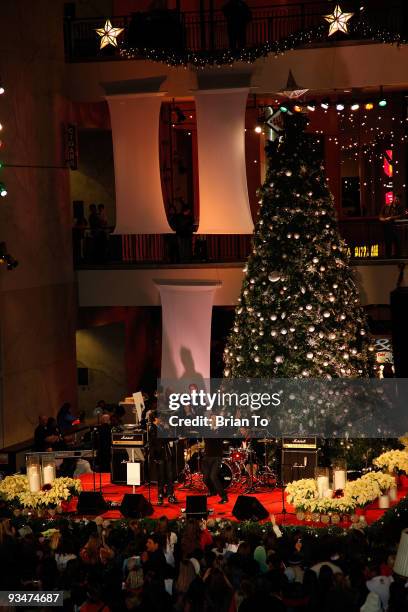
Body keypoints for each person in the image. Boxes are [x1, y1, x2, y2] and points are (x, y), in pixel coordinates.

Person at [148, 411, 178, 505]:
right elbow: (160, 440)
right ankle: (160, 494)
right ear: (155, 419)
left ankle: (170, 494)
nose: (161, 419)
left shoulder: (160, 427)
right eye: (159, 417)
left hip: (166, 454)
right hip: (160, 455)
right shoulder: (152, 428)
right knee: (161, 476)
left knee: (169, 475)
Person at [379, 193, 407, 257]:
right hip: (387, 227)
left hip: (396, 228)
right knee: (388, 243)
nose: (396, 200)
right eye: (396, 199)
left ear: (400, 200)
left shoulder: (401, 207)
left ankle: (396, 257)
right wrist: (382, 219)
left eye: (398, 199)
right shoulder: (386, 206)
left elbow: (402, 215)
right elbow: (380, 214)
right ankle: (388, 257)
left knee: (397, 243)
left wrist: (391, 218)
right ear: (394, 198)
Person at [202, 436, 228, 504]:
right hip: (207, 456)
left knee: (213, 477)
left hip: (217, 457)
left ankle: (224, 497)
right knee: (205, 479)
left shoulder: (219, 430)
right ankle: (212, 491)